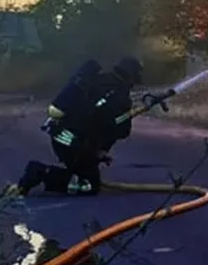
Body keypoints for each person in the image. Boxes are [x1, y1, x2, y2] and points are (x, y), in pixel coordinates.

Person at [14, 56, 144, 196]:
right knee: (89, 186)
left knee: (85, 173)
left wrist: (97, 151)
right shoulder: (120, 98)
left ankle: (55, 173)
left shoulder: (98, 80)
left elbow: (97, 122)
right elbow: (121, 131)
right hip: (74, 143)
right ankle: (40, 172)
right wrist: (100, 149)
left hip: (61, 135)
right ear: (132, 77)